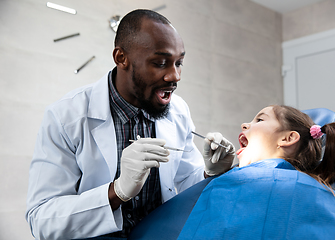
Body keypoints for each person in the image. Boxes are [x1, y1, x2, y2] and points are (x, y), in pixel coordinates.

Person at [25, 9, 235, 239]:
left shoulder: (178, 111)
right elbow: (41, 219)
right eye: (160, 62)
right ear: (121, 58)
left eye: (179, 63)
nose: (175, 76)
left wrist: (210, 173)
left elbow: (184, 181)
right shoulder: (65, 116)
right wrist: (118, 191)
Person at [127, 105, 335, 239]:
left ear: (288, 138)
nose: (244, 125)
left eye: (259, 119)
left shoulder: (242, 183)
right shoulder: (324, 191)